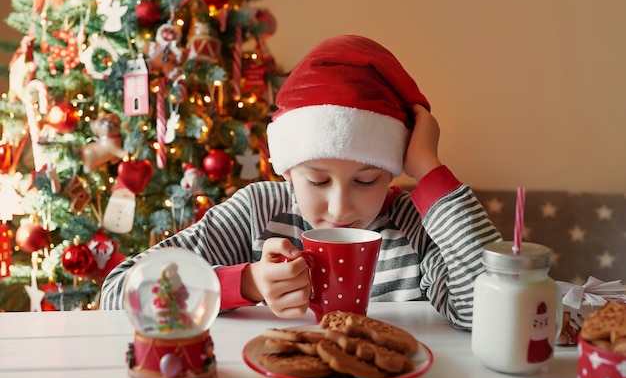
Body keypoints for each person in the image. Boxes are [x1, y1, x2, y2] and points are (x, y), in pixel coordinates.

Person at [100, 34, 502, 330]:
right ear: (288, 169)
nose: (340, 207)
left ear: (394, 168)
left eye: (366, 180)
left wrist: (429, 168)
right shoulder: (258, 211)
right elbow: (120, 292)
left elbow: (489, 311)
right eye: (317, 180)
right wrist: (246, 282)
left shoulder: (413, 224)